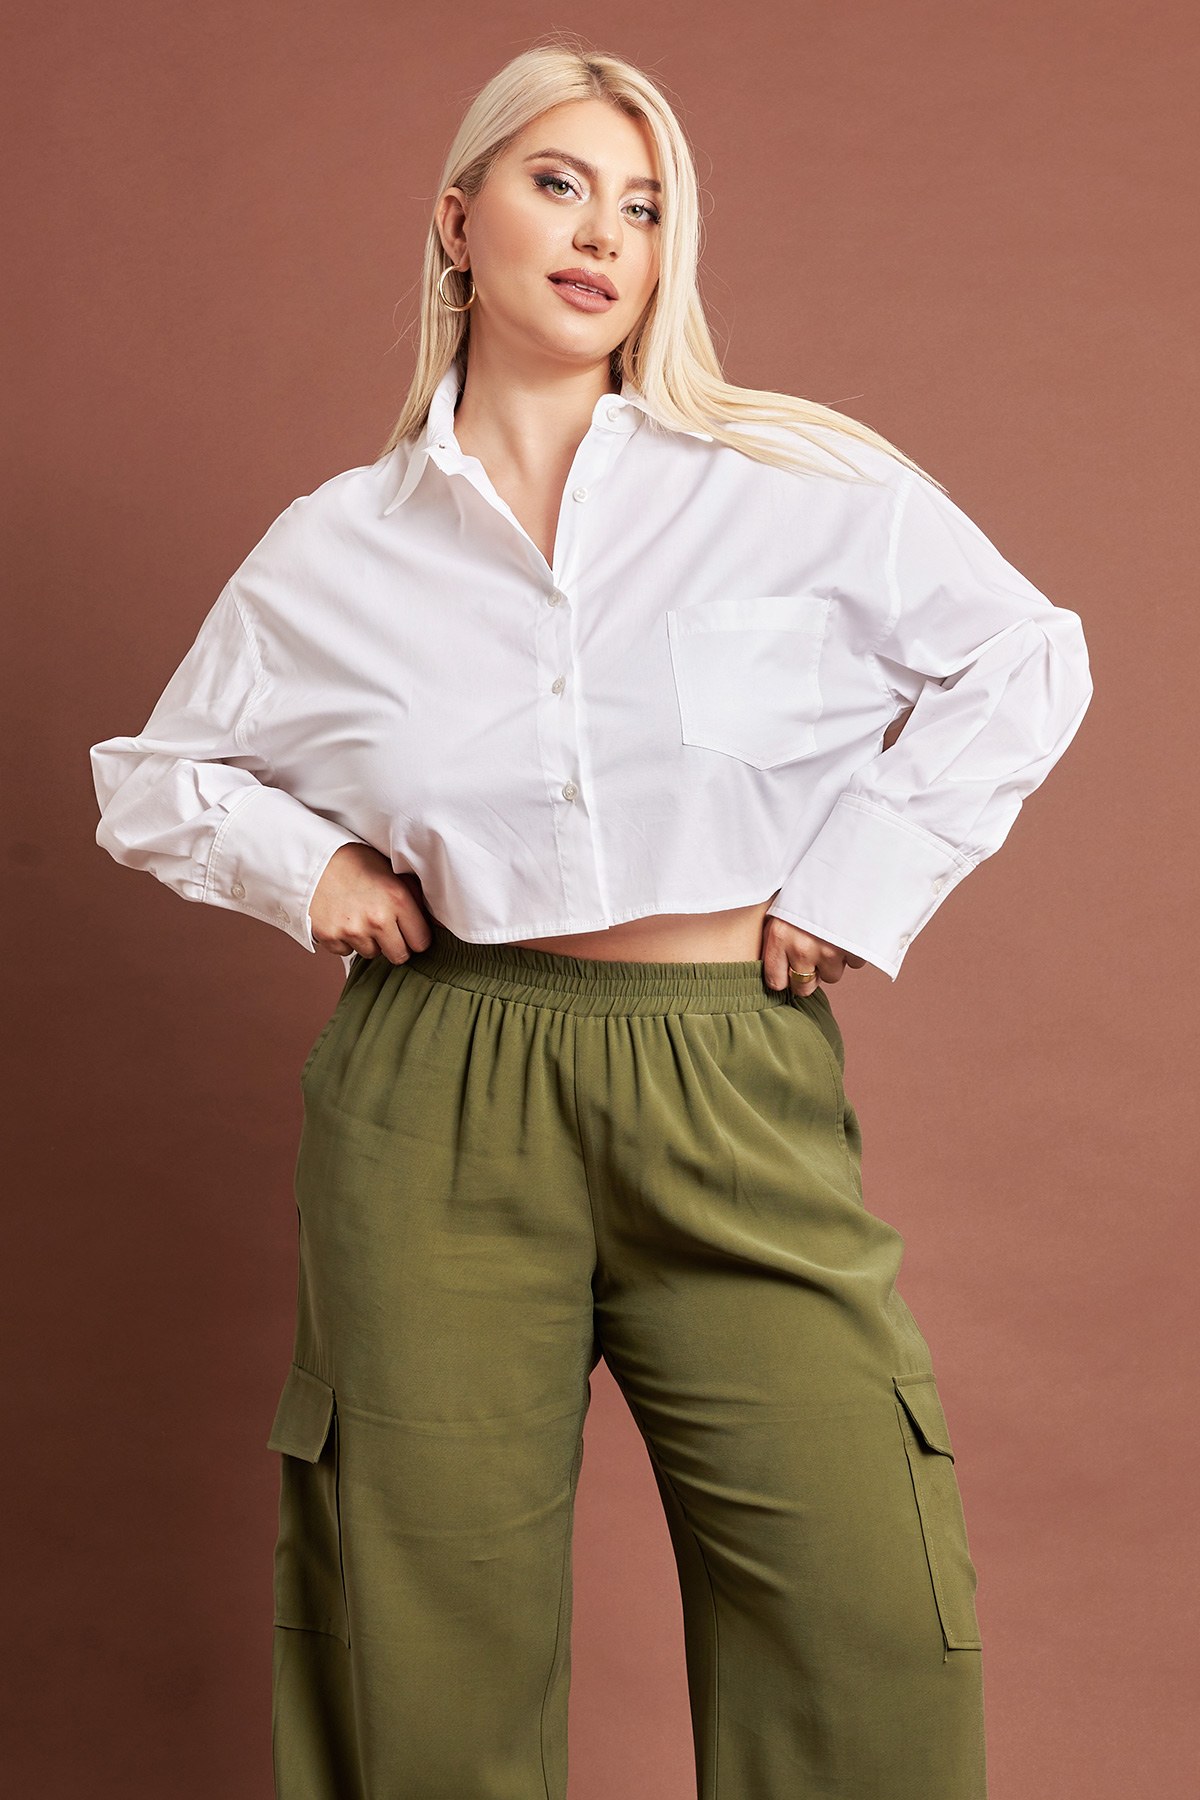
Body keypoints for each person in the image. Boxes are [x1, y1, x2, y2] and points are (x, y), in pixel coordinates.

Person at [88, 40, 1093, 1800]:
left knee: (857, 1604)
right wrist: (310, 873)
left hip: (726, 1069)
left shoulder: (795, 480)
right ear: (456, 221)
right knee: (425, 1621)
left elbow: (1026, 660)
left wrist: (861, 879)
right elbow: (154, 779)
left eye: (643, 205)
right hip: (442, 1086)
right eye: (558, 185)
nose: (604, 235)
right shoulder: (340, 545)